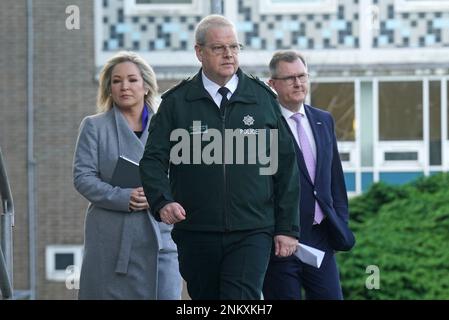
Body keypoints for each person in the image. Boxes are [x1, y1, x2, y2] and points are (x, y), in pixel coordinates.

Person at [139, 15, 300, 300]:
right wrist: (162, 201)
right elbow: (152, 160)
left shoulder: (263, 98)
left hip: (253, 229)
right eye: (218, 48)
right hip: (196, 230)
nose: (229, 54)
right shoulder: (177, 102)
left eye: (234, 47)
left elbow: (286, 166)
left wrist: (287, 228)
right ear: (199, 52)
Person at [73, 51, 182, 299]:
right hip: (111, 241)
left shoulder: (169, 127)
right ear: (109, 89)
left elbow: (185, 177)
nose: (124, 86)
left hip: (160, 237)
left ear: (146, 86)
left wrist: (160, 196)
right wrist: (124, 196)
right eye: (116, 81)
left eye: (132, 80)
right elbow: (83, 177)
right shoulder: (94, 126)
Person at [263, 50, 350, 300]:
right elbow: (260, 186)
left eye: (302, 76)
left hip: (321, 237)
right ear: (273, 84)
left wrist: (340, 220)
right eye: (289, 78)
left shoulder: (324, 120)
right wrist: (277, 231)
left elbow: (334, 178)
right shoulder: (264, 125)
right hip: (280, 242)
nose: (298, 83)